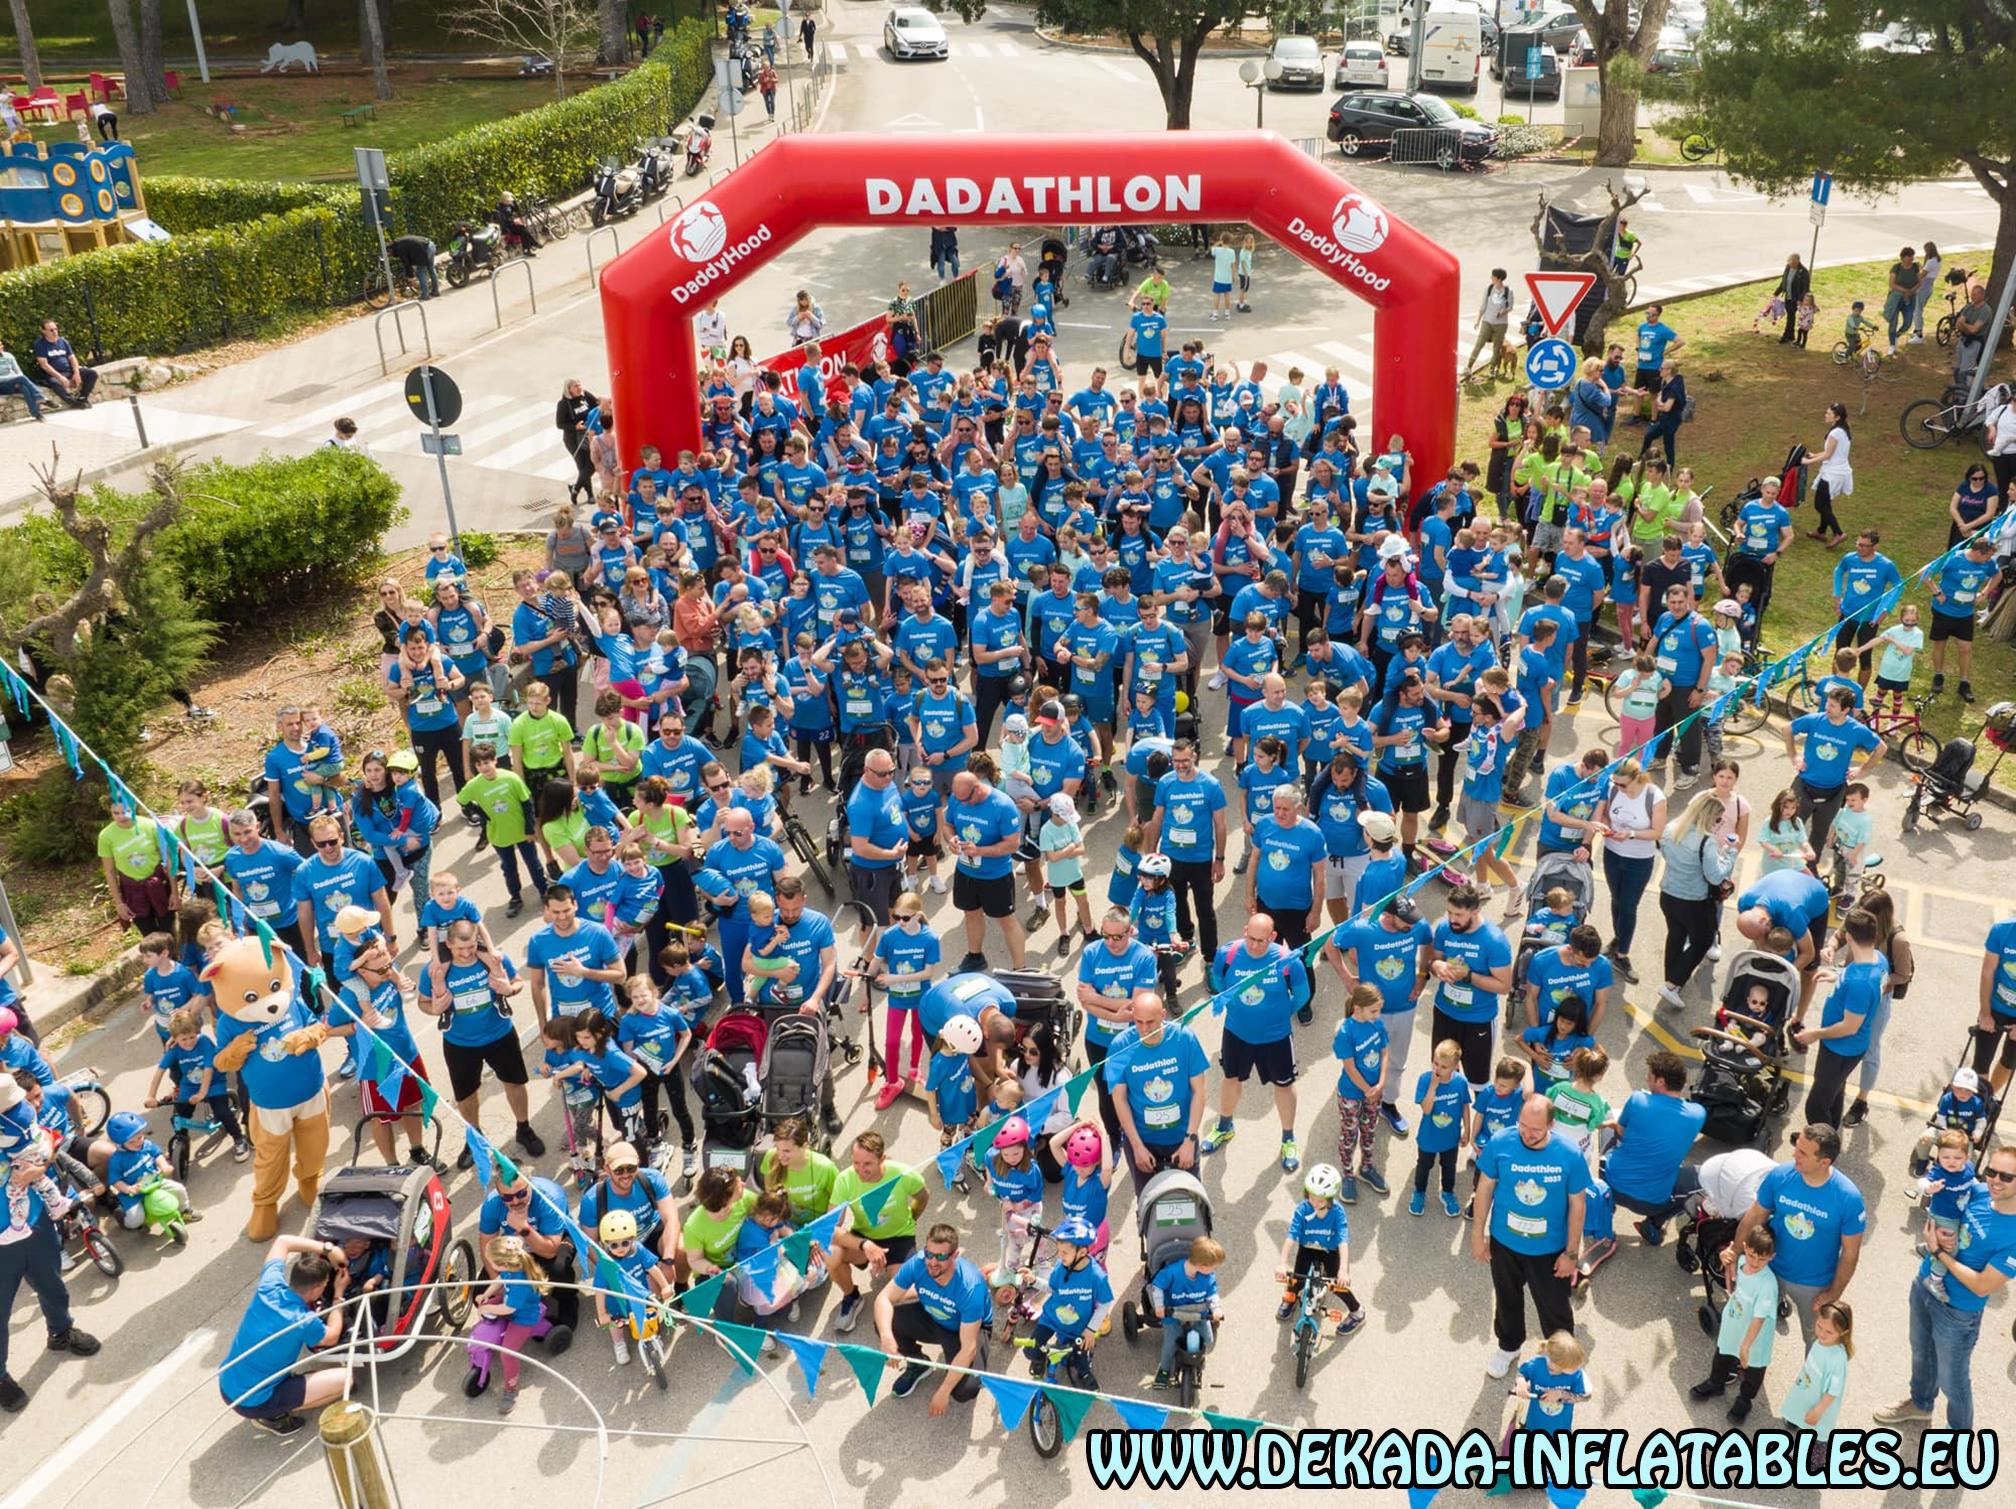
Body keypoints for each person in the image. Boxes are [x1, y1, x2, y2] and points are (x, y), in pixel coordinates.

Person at [1873, 1142, 2016, 1433]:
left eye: (2006, 1177)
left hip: (1958, 1311)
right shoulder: (1978, 1191)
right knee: (1921, 1352)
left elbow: (1982, 1284)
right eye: (1991, 1172)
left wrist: (1940, 1253)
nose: (1994, 1181)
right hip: (1925, 1285)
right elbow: (1943, 1207)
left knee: (1954, 1380)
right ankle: (1921, 1404)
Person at [1472, 1094, 1589, 1379]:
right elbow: (1485, 1188)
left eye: (1535, 1129)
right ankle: (1509, 1347)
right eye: (1523, 1124)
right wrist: (1478, 1235)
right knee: (1507, 1299)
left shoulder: (1570, 1155)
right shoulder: (1501, 1142)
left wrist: (1571, 1254)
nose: (1527, 1133)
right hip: (1505, 1244)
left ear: (1551, 1125)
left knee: (1555, 1309)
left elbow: (1578, 1204)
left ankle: (1562, 1358)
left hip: (1549, 1252)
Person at [1730, 1124, 1866, 1354]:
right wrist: (1735, 1252)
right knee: (1752, 1323)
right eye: (1797, 1146)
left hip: (1813, 1284)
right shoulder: (1780, 1176)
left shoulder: (1848, 1198)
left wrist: (1833, 1294)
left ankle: (1813, 1386)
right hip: (1768, 1268)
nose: (1794, 1154)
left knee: (1817, 1341)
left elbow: (1850, 1254)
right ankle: (1745, 1368)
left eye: (1803, 1152)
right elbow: (1754, 1216)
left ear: (1824, 1162)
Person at [1201, 913, 1312, 1171]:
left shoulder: (1287, 960)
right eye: (1250, 938)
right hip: (1236, 1033)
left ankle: (1288, 1139)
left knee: (1284, 1086)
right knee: (1230, 1079)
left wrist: (1281, 1015)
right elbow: (1218, 979)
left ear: (1273, 937)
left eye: (1261, 941)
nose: (1254, 945)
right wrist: (1232, 1005)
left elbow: (1303, 993)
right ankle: (1224, 1126)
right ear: (1244, 931)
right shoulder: (1228, 954)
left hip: (1277, 1037)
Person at [217, 1232, 351, 1434]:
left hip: (228, 1383)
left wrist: (328, 1249)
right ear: (316, 1289)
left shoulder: (269, 1287)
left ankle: (286, 1391)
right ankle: (273, 1415)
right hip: (254, 1401)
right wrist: (338, 1294)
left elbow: (283, 1241)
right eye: (325, 1285)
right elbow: (331, 1337)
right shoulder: (302, 1320)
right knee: (346, 1380)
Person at [0, 1147, 101, 1414]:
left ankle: (61, 1332)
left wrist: (39, 1168)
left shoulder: (9, 1120)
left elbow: (42, 1140)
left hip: (34, 1224)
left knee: (52, 1285)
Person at [1107, 989, 1209, 1192]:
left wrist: (1190, 1139)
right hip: (1143, 1140)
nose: (1144, 1029)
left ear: (1163, 1015)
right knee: (1148, 1203)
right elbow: (1119, 1099)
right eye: (1138, 1022)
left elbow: (1200, 1091)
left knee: (1189, 1198)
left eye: (1150, 1022)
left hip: (1181, 1137)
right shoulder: (1120, 1046)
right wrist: (1136, 1146)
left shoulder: (1184, 1038)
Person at [1656, 791, 1737, 1006]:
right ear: (1708, 817)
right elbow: (1715, 876)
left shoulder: (1672, 828)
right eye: (1718, 819)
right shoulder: (1707, 842)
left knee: (1676, 935)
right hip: (1693, 900)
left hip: (1668, 893)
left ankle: (1671, 979)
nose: (1719, 824)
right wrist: (1729, 855)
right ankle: (1672, 984)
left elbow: (1665, 853)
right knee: (1701, 940)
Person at [1690, 1224, 1778, 1421]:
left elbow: (1760, 1317)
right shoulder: (1741, 1261)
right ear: (1746, 1248)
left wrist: (1746, 1345)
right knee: (1723, 1355)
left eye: (1762, 1259)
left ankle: (1745, 1400)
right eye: (1752, 1255)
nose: (1755, 1262)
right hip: (1734, 1324)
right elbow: (1732, 1270)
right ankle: (1716, 1383)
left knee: (1754, 1370)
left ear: (1771, 1257)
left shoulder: (1767, 1284)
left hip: (1755, 1336)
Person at [1593, 759, 1665, 985]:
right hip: (1613, 854)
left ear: (1637, 778)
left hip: (1639, 860)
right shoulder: (1614, 790)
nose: (1618, 787)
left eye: (1623, 784)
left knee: (1629, 906)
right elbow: (1604, 815)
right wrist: (1606, 826)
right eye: (1616, 783)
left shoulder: (1654, 797)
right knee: (1616, 900)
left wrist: (1631, 834)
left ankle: (1622, 954)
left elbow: (1657, 831)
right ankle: (1618, 937)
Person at [1147, 1235, 1224, 1391]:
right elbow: (1157, 1287)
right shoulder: (1172, 1272)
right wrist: (1159, 1306)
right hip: (1173, 1313)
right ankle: (1164, 1370)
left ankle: (1196, 1359)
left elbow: (1212, 1293)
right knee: (1169, 1345)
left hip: (1199, 1314)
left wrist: (1216, 1309)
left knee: (1207, 1340)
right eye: (1212, 1266)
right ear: (1202, 1265)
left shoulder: (1207, 1276)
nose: (1213, 1270)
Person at [31, 319, 95, 408]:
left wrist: (76, 373)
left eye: (56, 329)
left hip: (68, 370)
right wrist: (60, 377)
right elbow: (44, 365)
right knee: (55, 383)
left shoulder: (63, 341)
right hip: (54, 374)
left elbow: (72, 358)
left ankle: (82, 398)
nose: (55, 332)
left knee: (91, 373)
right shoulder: (40, 344)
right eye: (51, 330)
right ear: (43, 331)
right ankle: (73, 402)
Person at [0, 336, 45, 422]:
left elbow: (19, 371)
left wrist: (16, 379)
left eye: (1, 344)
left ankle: (37, 414)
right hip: (1, 386)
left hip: (14, 382)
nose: (1, 347)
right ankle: (40, 397)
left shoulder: (9, 356)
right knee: (20, 378)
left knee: (23, 387)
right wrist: (14, 378)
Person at [388, 236, 440, 300]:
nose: (390, 254)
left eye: (389, 253)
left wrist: (410, 276)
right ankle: (436, 291)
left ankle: (425, 294)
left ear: (391, 249)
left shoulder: (399, 248)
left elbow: (406, 262)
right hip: (430, 245)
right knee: (431, 269)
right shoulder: (399, 242)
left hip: (425, 250)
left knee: (420, 272)